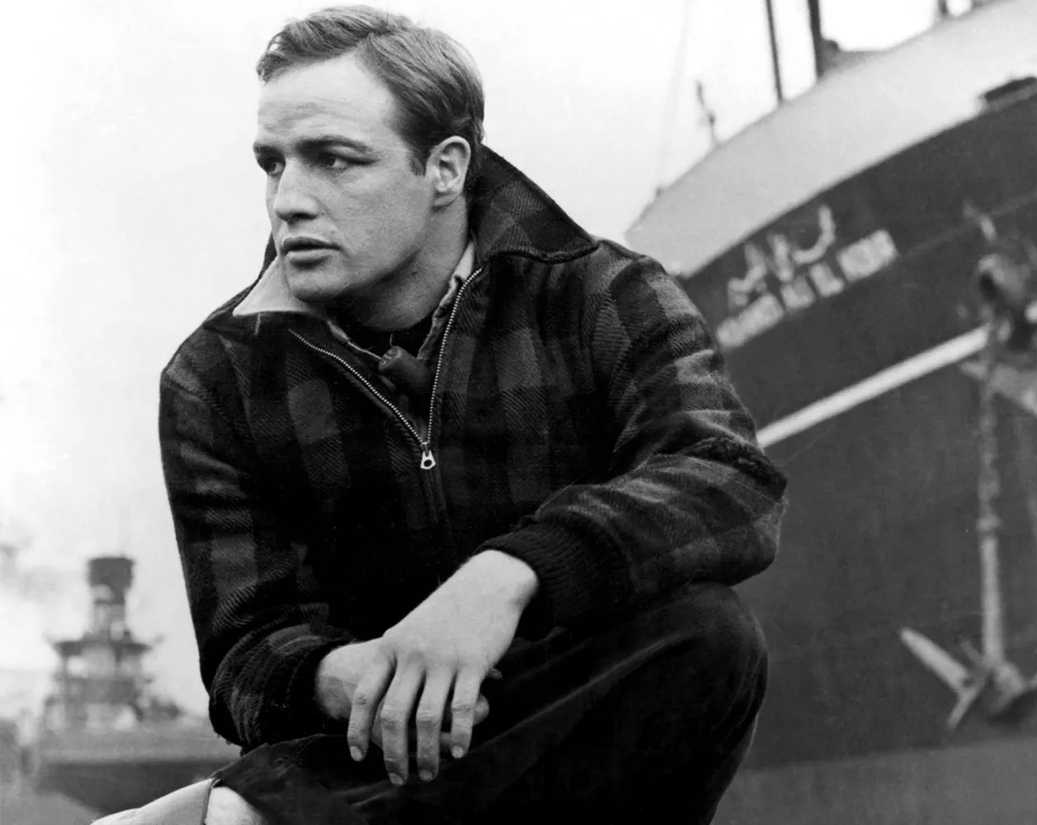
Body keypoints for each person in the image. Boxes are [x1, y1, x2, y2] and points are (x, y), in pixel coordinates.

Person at [102, 6, 786, 823]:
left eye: (333, 160)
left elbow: (730, 479)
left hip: (563, 714)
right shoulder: (215, 377)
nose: (287, 198)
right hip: (373, 748)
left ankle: (247, 816)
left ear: (446, 168)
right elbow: (247, 659)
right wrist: (355, 677)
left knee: (710, 637)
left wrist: (507, 580)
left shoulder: (604, 293)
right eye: (273, 163)